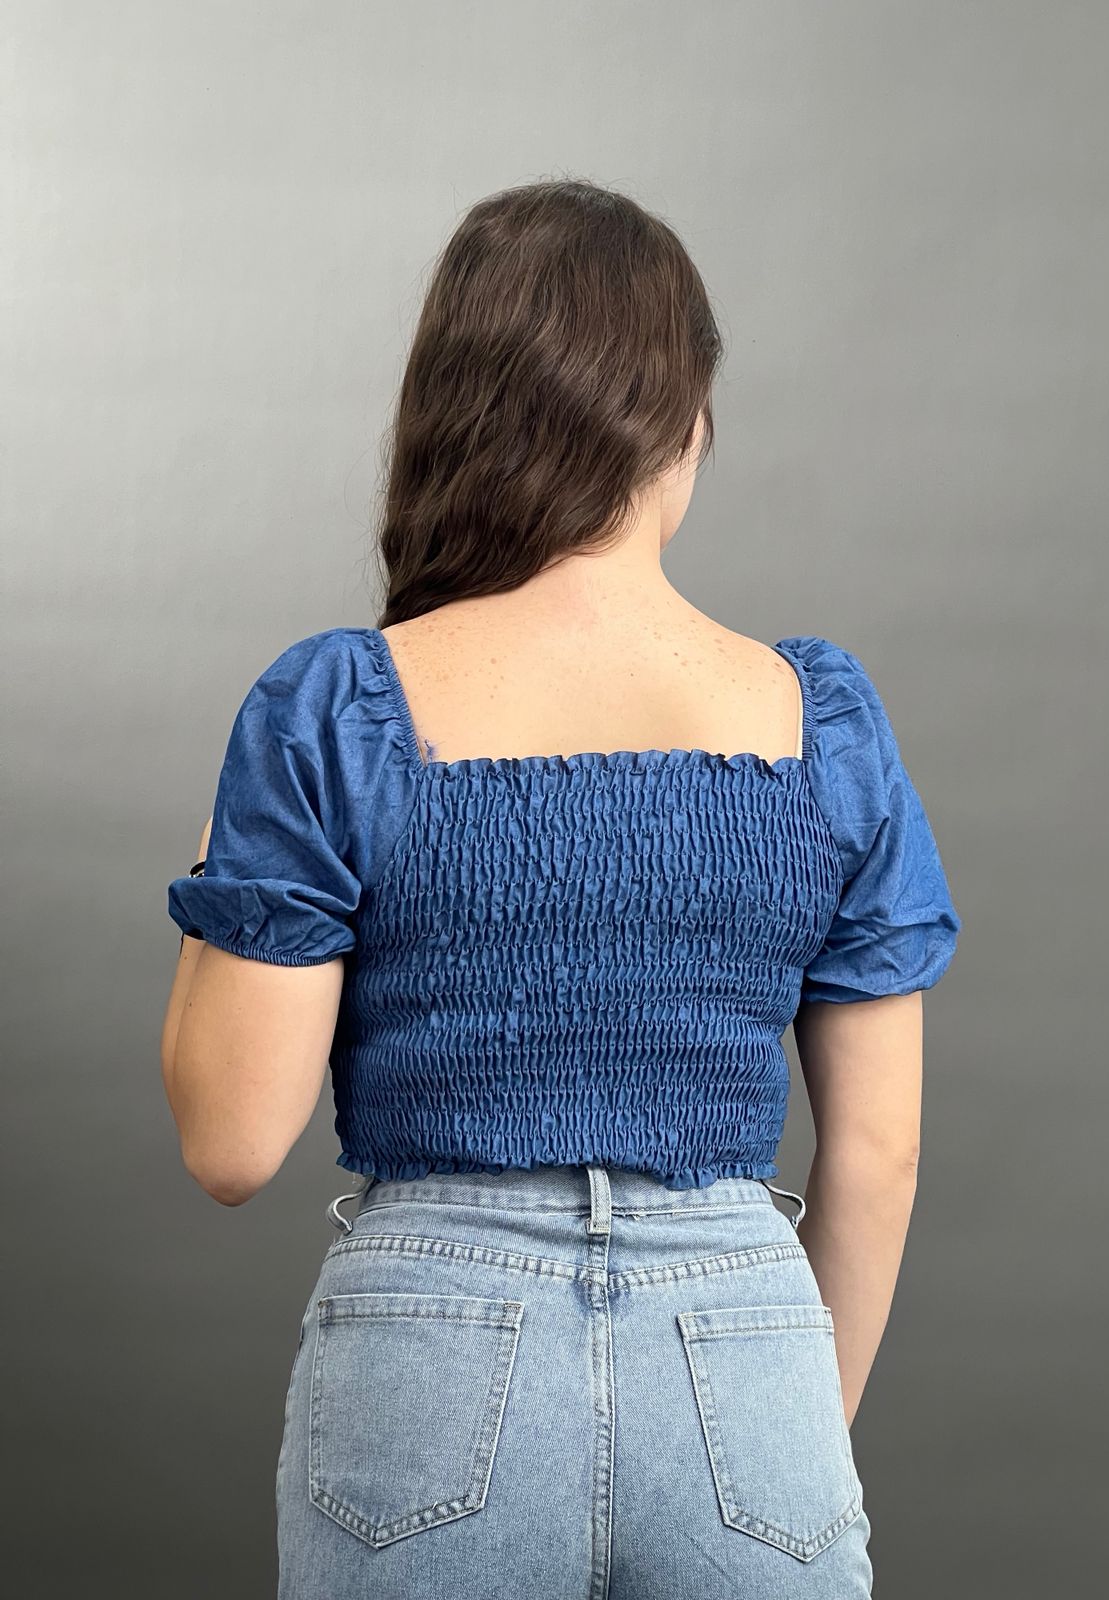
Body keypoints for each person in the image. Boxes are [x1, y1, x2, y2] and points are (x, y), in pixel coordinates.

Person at [160, 177, 960, 1600]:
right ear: (687, 422)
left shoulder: (337, 707)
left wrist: (246, 847)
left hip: (431, 1351)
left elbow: (233, 1141)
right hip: (745, 1350)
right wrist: (777, 1431)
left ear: (451, 413)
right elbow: (879, 1153)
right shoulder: (821, 722)